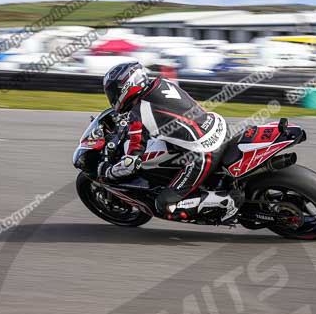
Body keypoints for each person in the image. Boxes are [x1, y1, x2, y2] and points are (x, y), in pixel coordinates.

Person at [99, 61, 242, 222]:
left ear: (125, 87)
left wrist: (108, 171)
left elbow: (131, 162)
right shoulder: (162, 82)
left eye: (113, 92)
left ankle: (228, 200)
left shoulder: (139, 113)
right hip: (217, 125)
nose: (112, 97)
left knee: (164, 205)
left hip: (205, 151)